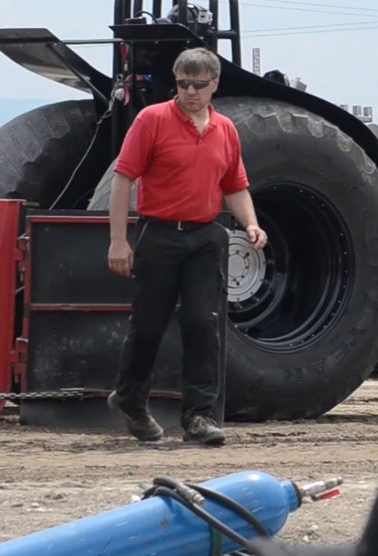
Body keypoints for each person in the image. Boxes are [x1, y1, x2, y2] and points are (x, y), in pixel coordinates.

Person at [105, 47, 266, 446]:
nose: (190, 91)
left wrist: (251, 223)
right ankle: (130, 400)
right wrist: (118, 241)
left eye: (198, 84)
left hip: (206, 237)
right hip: (159, 234)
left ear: (215, 85)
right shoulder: (152, 120)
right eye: (182, 84)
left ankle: (199, 416)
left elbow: (235, 186)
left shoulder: (225, 129)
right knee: (148, 325)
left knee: (202, 324)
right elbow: (123, 179)